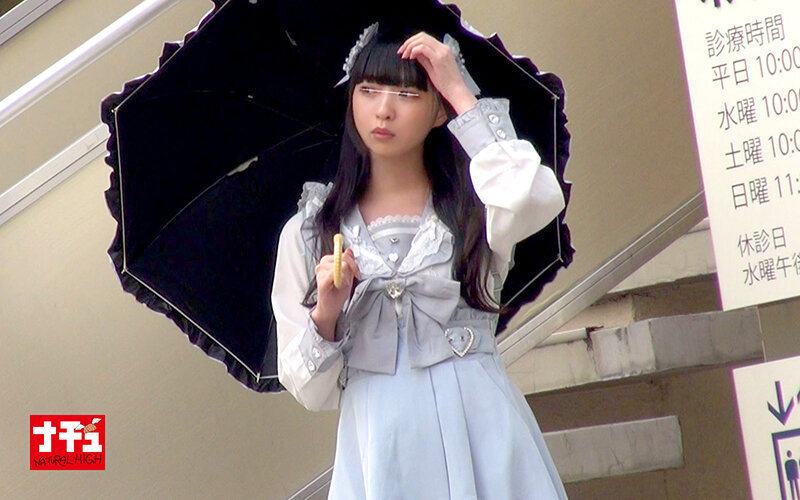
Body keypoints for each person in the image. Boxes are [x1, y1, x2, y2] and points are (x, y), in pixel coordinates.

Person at [272, 24, 568, 499]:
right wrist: (327, 311)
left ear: (438, 111)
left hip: (482, 431)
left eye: (408, 94)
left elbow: (532, 196)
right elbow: (308, 388)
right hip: (379, 445)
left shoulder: (479, 205)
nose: (383, 110)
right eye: (368, 91)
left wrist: (459, 91)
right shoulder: (312, 231)